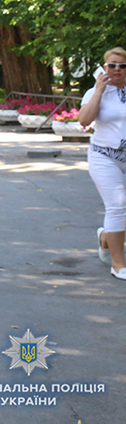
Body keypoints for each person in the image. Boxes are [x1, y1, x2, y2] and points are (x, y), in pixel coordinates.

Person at [79, 47, 126, 279]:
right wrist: (99, 90)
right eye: (112, 65)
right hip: (104, 156)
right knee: (118, 205)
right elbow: (84, 121)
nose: (117, 69)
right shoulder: (94, 92)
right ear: (104, 68)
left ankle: (105, 238)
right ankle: (119, 264)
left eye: (122, 65)